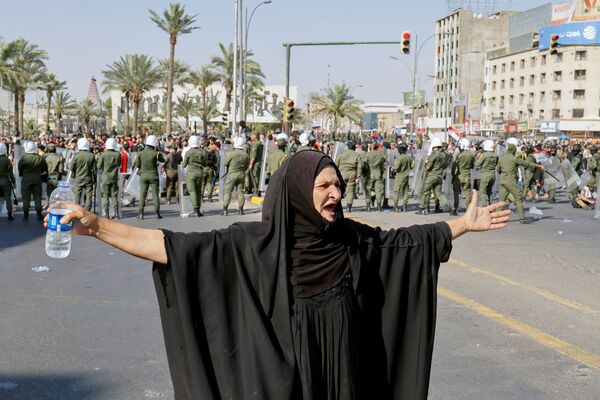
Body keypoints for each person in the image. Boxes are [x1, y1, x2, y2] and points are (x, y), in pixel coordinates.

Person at [50, 150, 511, 400]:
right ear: (296, 192)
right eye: (324, 185)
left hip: (344, 372)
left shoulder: (350, 238)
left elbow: (405, 243)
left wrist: (464, 225)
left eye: (338, 185)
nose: (336, 192)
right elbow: (171, 247)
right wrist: (97, 226)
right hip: (287, 375)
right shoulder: (253, 243)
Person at [497, 143, 544, 224]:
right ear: (514, 150)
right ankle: (522, 218)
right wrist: (538, 166)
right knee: (518, 198)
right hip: (511, 181)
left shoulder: (501, 158)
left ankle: (496, 218)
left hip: (503, 181)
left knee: (501, 201)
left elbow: (498, 169)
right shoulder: (514, 159)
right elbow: (527, 163)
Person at [134, 135, 165, 220]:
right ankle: (157, 213)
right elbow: (163, 160)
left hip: (143, 175)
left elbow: (137, 163)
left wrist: (141, 167)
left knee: (143, 195)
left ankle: (141, 214)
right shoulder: (156, 153)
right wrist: (158, 150)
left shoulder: (140, 153)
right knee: (155, 194)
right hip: (153, 175)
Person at [417, 137, 451, 215]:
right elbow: (445, 165)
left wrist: (425, 165)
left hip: (431, 175)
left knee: (425, 191)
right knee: (439, 194)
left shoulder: (434, 153)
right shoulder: (443, 154)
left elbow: (429, 166)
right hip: (439, 176)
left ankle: (423, 208)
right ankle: (449, 205)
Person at [19, 141, 48, 220]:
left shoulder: (23, 158)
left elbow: (20, 169)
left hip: (26, 180)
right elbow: (44, 169)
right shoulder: (39, 158)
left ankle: (25, 215)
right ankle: (39, 214)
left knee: (25, 197)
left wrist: (23, 174)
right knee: (37, 197)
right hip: (37, 179)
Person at [223, 136, 249, 216]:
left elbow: (225, 163)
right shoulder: (246, 155)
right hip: (241, 175)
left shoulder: (232, 153)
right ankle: (241, 210)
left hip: (232, 175)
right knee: (240, 192)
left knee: (227, 192)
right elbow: (246, 166)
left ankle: (225, 210)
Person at [182, 135, 206, 217]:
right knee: (198, 192)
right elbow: (205, 164)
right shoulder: (202, 152)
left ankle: (195, 210)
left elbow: (184, 165)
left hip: (191, 174)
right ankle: (198, 210)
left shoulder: (188, 152)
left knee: (192, 191)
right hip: (200, 173)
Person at [97, 138, 121, 219]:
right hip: (114, 177)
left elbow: (99, 166)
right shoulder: (118, 154)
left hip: (105, 177)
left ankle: (107, 214)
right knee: (114, 195)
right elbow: (119, 164)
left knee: (106, 195)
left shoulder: (103, 154)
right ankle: (116, 213)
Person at [71, 138, 97, 211]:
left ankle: (77, 211)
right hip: (88, 178)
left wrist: (75, 173)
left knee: (77, 196)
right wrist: (95, 180)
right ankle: (87, 211)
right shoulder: (91, 156)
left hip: (78, 178)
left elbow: (71, 167)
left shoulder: (76, 156)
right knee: (88, 196)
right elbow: (95, 170)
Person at [335, 140, 360, 213]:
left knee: (339, 190)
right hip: (352, 174)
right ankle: (348, 208)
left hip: (342, 173)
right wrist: (358, 176)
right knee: (350, 191)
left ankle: (338, 206)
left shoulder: (341, 155)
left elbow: (336, 165)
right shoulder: (357, 155)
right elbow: (359, 167)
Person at [451, 138, 474, 215]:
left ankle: (455, 209)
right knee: (467, 192)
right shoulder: (471, 155)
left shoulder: (459, 155)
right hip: (467, 176)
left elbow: (454, 165)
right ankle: (468, 208)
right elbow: (473, 166)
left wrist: (453, 174)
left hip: (459, 175)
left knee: (456, 192)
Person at [475, 139, 498, 207]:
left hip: (485, 174)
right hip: (493, 175)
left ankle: (485, 207)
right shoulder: (495, 155)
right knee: (489, 191)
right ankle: (491, 205)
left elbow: (477, 164)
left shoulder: (484, 155)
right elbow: (496, 163)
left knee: (482, 191)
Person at [391, 143, 413, 212]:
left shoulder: (399, 158)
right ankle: (404, 206)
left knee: (396, 191)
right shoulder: (409, 158)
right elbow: (412, 166)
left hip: (399, 176)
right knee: (405, 191)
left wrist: (392, 168)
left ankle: (395, 206)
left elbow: (396, 167)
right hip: (406, 176)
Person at [365, 142, 386, 211]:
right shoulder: (380, 155)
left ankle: (368, 206)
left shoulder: (368, 154)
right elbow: (382, 166)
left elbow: (365, 165)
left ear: (371, 147)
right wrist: (381, 173)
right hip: (378, 173)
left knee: (368, 190)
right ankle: (379, 206)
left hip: (370, 173)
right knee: (378, 190)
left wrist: (365, 172)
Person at [44, 142, 65, 207]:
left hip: (48, 177)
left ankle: (48, 205)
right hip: (56, 177)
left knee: (49, 193)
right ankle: (56, 206)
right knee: (56, 194)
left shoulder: (45, 158)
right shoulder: (59, 158)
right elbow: (61, 170)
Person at [0, 142, 16, 220]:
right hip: (5, 181)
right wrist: (13, 182)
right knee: (8, 198)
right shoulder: (7, 160)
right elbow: (11, 174)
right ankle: (9, 214)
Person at [247, 132, 264, 197]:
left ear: (255, 136)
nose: (251, 137)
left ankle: (255, 192)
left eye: (252, 135)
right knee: (258, 177)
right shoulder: (261, 143)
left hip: (255, 163)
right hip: (259, 163)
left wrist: (251, 164)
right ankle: (258, 191)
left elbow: (254, 155)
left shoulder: (255, 144)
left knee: (254, 177)